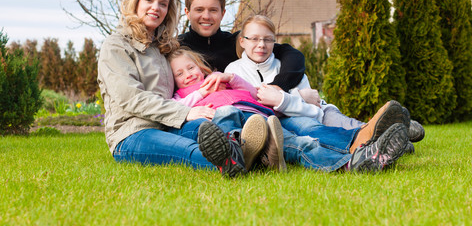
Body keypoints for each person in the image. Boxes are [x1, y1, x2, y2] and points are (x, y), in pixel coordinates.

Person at [168, 47, 410, 173]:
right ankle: (232, 154)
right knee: (226, 113)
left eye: (190, 68)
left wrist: (229, 77)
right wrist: (200, 93)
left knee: (301, 142)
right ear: (174, 81)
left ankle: (352, 162)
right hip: (231, 122)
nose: (188, 74)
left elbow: (254, 93)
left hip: (260, 118)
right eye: (179, 74)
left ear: (200, 67)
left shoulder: (223, 80)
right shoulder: (182, 96)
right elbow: (177, 108)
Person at [97, 0, 247, 178]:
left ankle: (250, 151)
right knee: (189, 149)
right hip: (132, 133)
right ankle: (236, 164)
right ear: (136, 3)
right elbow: (131, 98)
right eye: (149, 0)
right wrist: (185, 112)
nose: (155, 8)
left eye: (163, 4)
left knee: (210, 129)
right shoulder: (116, 46)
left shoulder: (163, 48)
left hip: (168, 125)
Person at [225, 14, 423, 152]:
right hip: (298, 121)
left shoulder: (285, 66)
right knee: (330, 133)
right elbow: (248, 105)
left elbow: (314, 108)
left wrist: (282, 100)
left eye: (268, 40)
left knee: (351, 125)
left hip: (320, 113)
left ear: (274, 42)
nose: (261, 45)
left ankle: (396, 133)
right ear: (242, 41)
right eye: (255, 39)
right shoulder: (234, 71)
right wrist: (298, 97)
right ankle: (391, 139)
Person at [178, 0, 305, 92]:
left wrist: (279, 85)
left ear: (222, 13)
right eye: (199, 10)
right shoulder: (177, 47)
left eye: (213, 10)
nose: (206, 16)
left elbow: (292, 55)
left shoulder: (239, 43)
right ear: (187, 13)